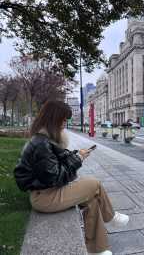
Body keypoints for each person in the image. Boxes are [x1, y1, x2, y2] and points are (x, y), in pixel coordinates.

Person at [14, 100, 129, 255]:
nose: (64, 124)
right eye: (62, 120)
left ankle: (99, 250)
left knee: (92, 201)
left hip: (47, 192)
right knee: (94, 184)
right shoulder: (41, 144)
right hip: (44, 197)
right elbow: (56, 178)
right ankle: (111, 217)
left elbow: (57, 163)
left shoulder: (44, 139)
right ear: (53, 119)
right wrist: (78, 159)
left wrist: (76, 155)